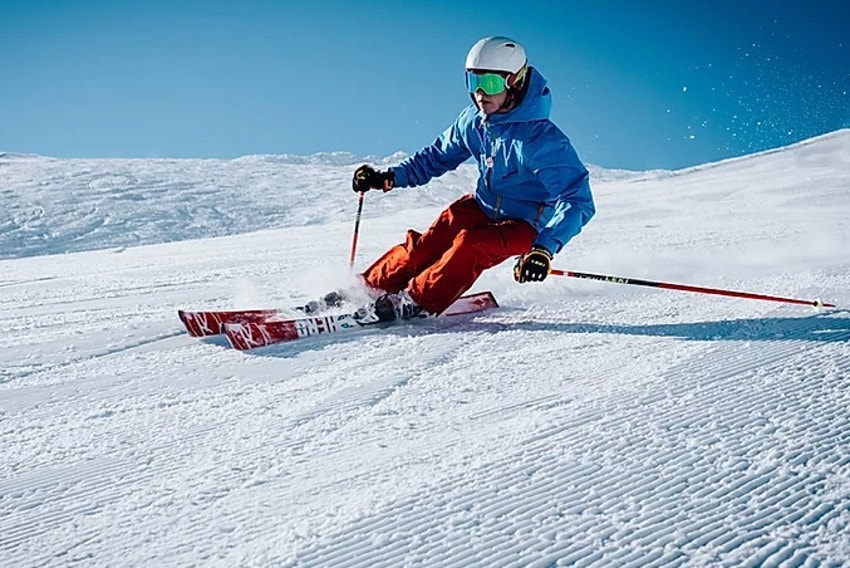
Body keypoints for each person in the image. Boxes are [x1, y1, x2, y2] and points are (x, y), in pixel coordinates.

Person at [350, 36, 595, 323]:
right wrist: (388, 177)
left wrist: (544, 248)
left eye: (490, 83)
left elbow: (576, 200)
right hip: (482, 205)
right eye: (472, 82)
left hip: (527, 224)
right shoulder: (473, 121)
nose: (479, 93)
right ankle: (366, 288)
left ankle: (416, 301)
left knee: (472, 244)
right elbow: (436, 156)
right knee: (429, 243)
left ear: (514, 82)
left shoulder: (542, 141)